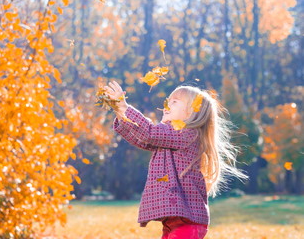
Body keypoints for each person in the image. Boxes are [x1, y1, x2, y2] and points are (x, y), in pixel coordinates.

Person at [104, 81, 248, 239]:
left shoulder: (188, 134)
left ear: (193, 112)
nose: (166, 105)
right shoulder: (170, 138)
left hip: (188, 222)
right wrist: (120, 112)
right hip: (174, 222)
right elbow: (143, 139)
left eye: (174, 102)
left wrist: (125, 107)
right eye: (167, 100)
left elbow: (150, 133)